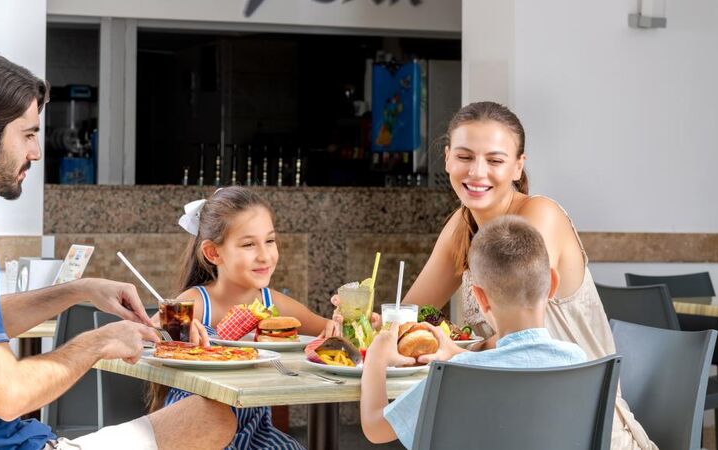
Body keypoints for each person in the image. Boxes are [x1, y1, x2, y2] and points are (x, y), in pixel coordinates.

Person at [0, 48, 235, 450]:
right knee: (212, 417)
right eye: (28, 134)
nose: (36, 152)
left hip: (18, 441)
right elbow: (8, 396)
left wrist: (79, 290)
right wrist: (99, 342)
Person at [335, 101, 654, 449]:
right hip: (508, 424)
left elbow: (520, 341)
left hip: (586, 431)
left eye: (495, 160)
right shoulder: (461, 225)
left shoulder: (539, 217)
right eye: (465, 156)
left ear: (518, 166)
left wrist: (456, 353)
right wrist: (367, 325)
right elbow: (412, 315)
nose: (477, 172)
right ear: (447, 159)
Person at [360, 216, 587, 449]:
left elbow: (376, 428)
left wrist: (375, 360)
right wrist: (459, 353)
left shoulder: (456, 373)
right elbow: (514, 363)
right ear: (552, 282)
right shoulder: (577, 361)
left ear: (480, 297)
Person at [148, 186, 338, 450]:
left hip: (255, 431)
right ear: (213, 253)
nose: (264, 256)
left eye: (269, 241)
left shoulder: (272, 304)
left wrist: (347, 321)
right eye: (249, 244)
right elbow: (147, 333)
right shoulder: (197, 302)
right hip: (197, 428)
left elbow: (328, 331)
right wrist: (174, 328)